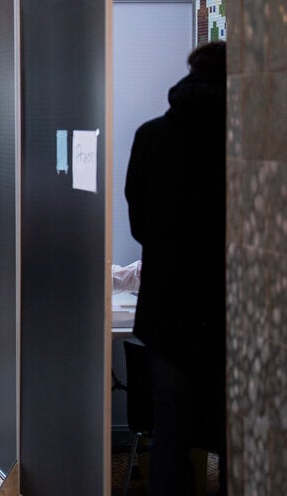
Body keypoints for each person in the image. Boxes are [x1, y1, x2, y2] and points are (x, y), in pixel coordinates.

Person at [125, 41, 227, 496]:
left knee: (169, 428)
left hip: (167, 306)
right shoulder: (251, 137)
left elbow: (139, 222)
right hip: (229, 305)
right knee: (235, 429)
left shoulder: (151, 135)